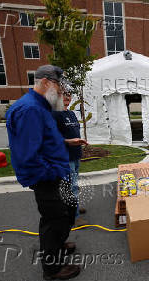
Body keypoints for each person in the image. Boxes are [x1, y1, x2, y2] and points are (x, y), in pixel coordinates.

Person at [6, 65, 87, 280]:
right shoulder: (30, 109)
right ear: (45, 83)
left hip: (57, 172)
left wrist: (66, 141)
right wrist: (53, 173)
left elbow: (43, 140)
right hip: (47, 177)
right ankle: (52, 268)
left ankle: (58, 246)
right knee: (55, 219)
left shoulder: (41, 107)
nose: (62, 92)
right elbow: (28, 155)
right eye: (59, 87)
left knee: (67, 212)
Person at [52, 85, 88, 227]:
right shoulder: (54, 115)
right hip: (65, 157)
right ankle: (75, 217)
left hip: (75, 155)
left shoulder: (71, 114)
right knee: (71, 187)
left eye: (69, 94)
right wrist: (67, 142)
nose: (67, 97)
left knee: (74, 185)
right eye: (63, 94)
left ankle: (75, 207)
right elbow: (51, 139)